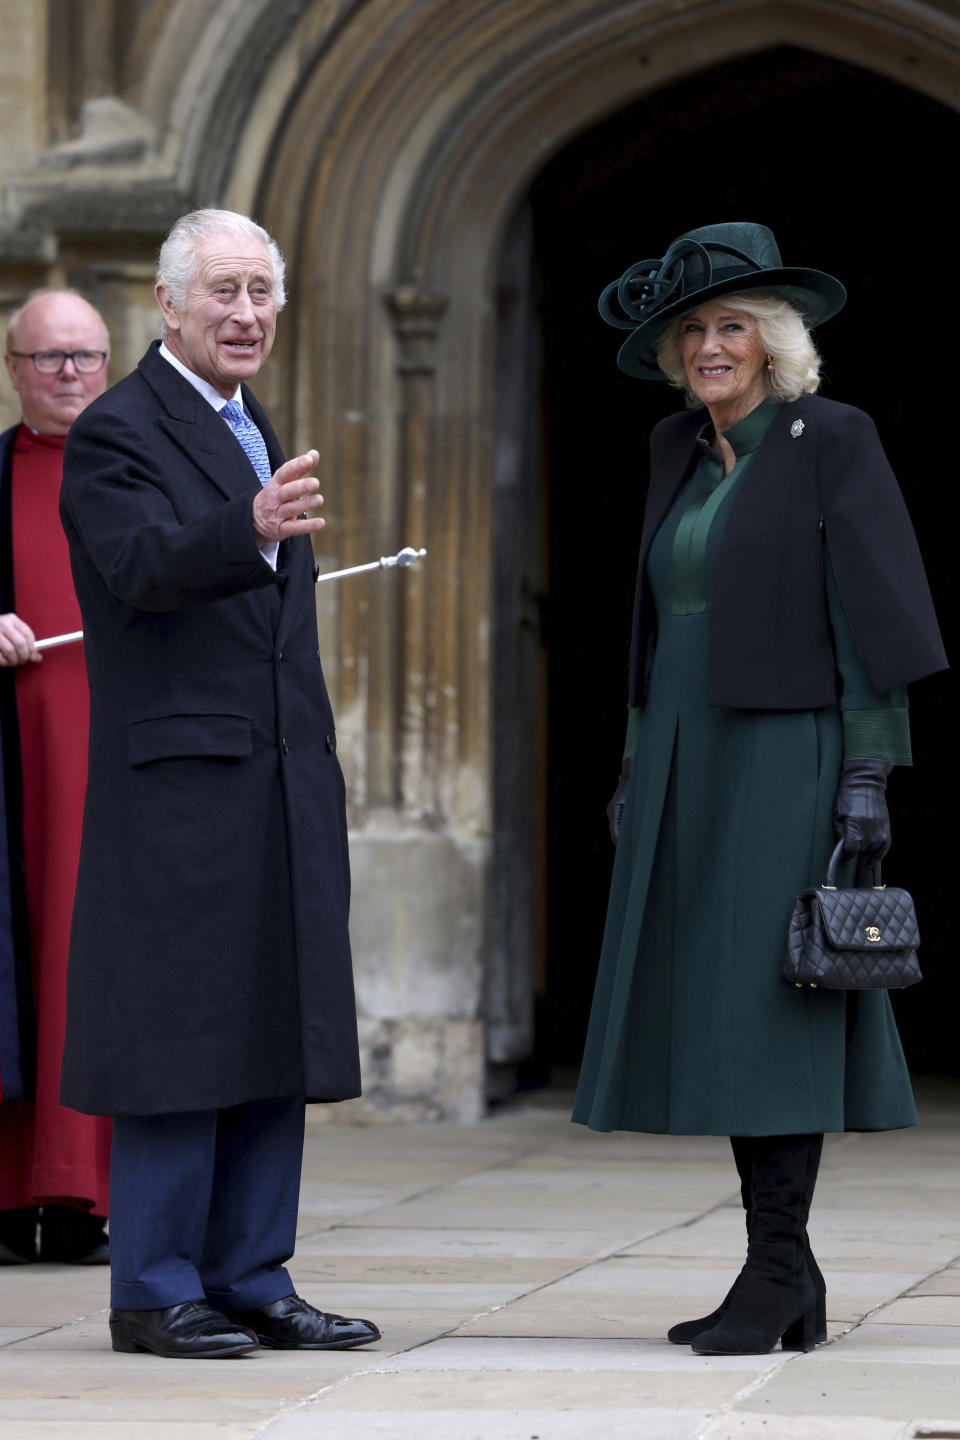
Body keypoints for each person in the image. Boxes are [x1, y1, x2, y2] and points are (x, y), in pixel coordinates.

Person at [573, 222, 947, 1356]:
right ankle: (788, 1274)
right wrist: (638, 764)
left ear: (776, 343)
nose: (708, 346)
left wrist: (871, 770)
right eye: (692, 331)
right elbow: (652, 622)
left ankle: (777, 1269)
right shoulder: (673, 451)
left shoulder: (831, 438)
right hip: (686, 751)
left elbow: (872, 613)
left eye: (731, 325)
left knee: (776, 1014)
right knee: (723, 1017)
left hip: (789, 754)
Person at [58, 208, 379, 1359]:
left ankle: (254, 1274)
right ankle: (152, 1286)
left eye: (262, 294)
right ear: (170, 305)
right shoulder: (118, 431)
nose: (247, 314)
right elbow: (139, 567)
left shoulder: (253, 423)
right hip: (179, 793)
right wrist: (244, 526)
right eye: (225, 293)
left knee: (272, 1030)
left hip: (280, 780)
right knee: (180, 1038)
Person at [0, 291, 113, 1265]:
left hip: (110, 758)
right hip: (12, 765)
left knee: (92, 960)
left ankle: (84, 1194)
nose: (68, 373)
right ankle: (7, 1191)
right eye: (48, 358)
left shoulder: (141, 471)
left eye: (83, 356)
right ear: (13, 368)